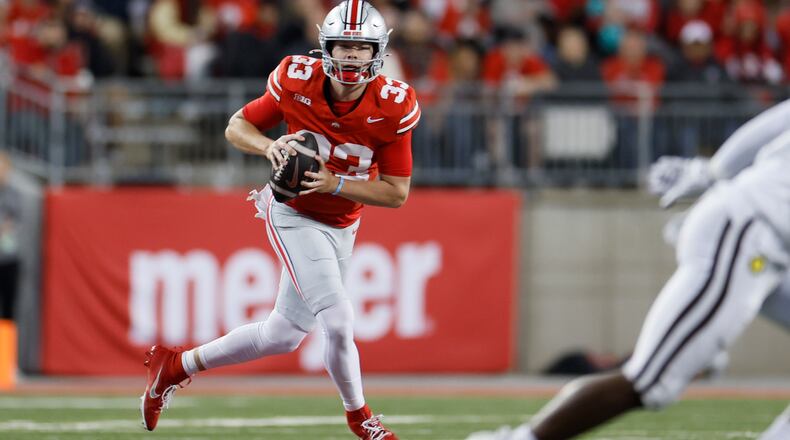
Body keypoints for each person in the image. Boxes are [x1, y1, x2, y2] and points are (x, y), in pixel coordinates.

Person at [139, 2, 419, 439]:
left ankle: (176, 366)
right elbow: (237, 127)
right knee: (339, 318)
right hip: (292, 212)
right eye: (342, 46)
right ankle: (360, 418)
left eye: (360, 48)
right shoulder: (297, 79)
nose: (350, 56)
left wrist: (333, 185)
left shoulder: (392, 104)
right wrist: (268, 148)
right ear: (325, 47)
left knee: (283, 334)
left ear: (376, 52)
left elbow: (396, 193)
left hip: (343, 221)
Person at [465, 98, 790, 440]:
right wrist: (710, 173)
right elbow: (770, 127)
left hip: (765, 240)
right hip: (752, 232)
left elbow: (771, 125)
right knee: (650, 382)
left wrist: (713, 174)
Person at [0, 153, 21, 321]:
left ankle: (5, 347)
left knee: (9, 309)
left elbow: (15, 222)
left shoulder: (14, 194)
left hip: (9, 258)